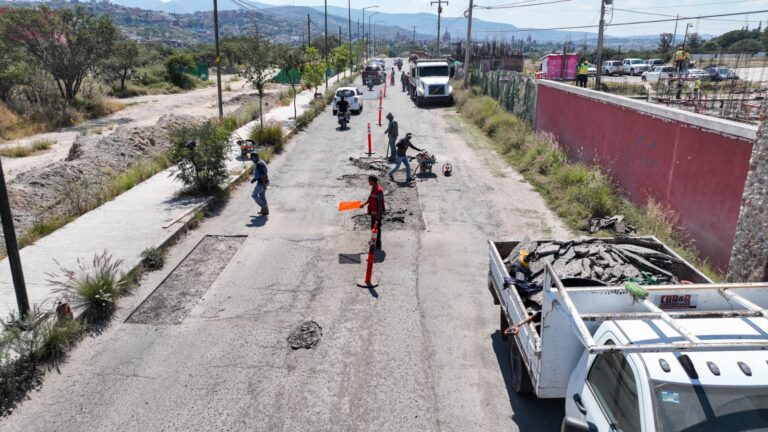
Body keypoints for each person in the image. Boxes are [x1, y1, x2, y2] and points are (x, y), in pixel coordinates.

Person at [360, 175, 385, 249]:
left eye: (369, 181)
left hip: (377, 213)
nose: (368, 182)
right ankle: (375, 240)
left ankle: (378, 243)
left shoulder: (379, 191)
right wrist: (364, 204)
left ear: (373, 182)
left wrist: (379, 214)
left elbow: (380, 203)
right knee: (373, 227)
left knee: (377, 228)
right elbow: (370, 198)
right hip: (373, 212)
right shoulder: (373, 188)